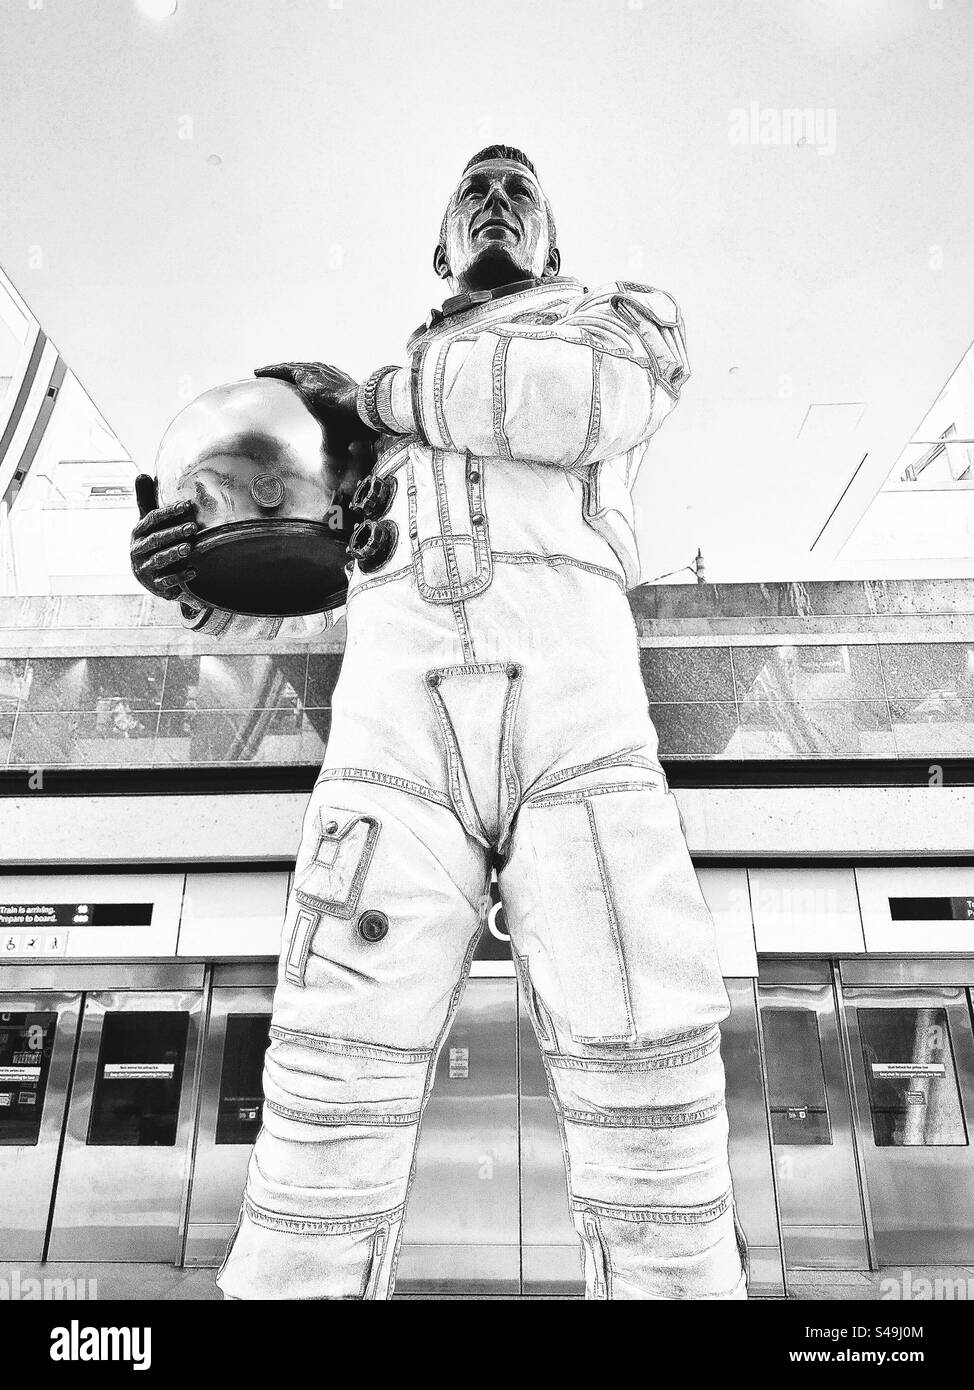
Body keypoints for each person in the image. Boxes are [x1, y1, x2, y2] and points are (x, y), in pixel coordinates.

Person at [130, 144, 747, 1301]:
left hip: (579, 735)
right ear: (439, 246)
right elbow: (302, 567)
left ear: (552, 243)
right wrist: (199, 570)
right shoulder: (368, 441)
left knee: (646, 1064)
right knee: (327, 1077)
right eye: (473, 190)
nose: (495, 201)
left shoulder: (618, 324)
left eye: (518, 190)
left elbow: (574, 401)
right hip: (392, 746)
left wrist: (370, 400)